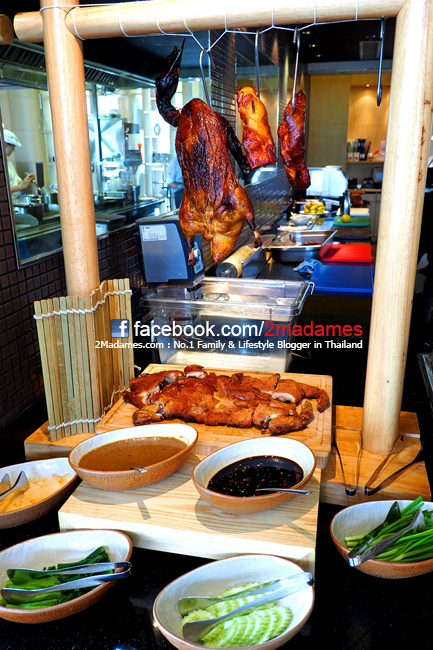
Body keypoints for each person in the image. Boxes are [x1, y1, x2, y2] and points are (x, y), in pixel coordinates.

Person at [3, 128, 35, 199]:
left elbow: (18, 183)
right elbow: (2, 190)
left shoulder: (9, 164)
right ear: (5, 145)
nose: (13, 150)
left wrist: (26, 181)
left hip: (15, 200)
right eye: (12, 147)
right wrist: (19, 187)